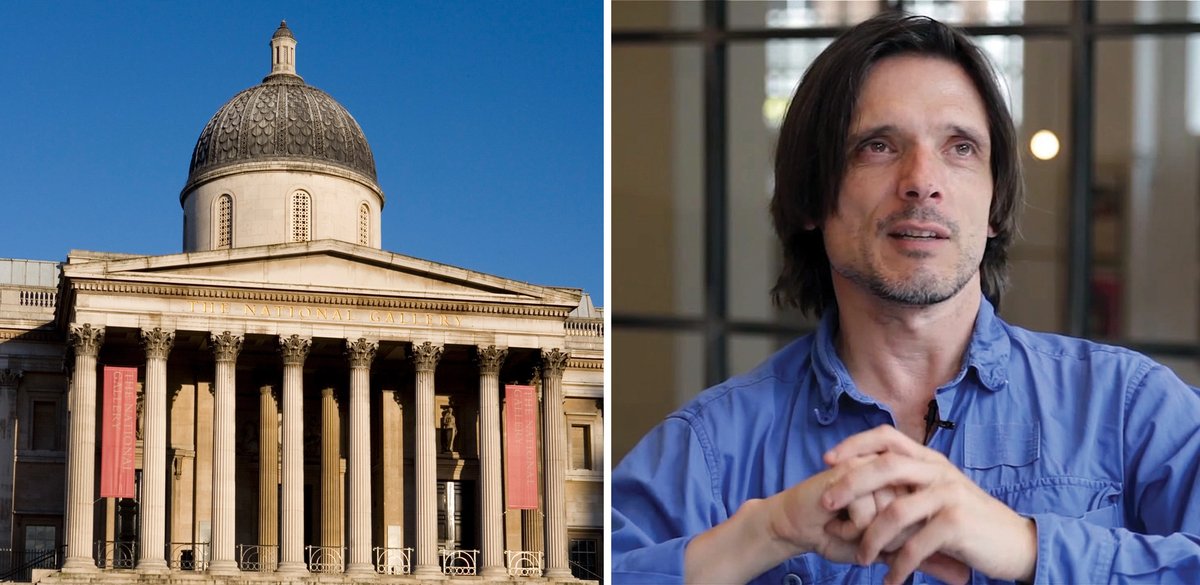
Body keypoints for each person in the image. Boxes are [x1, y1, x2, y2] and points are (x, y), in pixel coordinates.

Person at [611, 12, 1200, 585]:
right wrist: (764, 535)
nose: (922, 180)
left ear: (994, 206)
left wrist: (1028, 547)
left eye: (960, 147)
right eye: (878, 146)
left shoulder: (1130, 407)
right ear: (813, 196)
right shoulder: (712, 446)